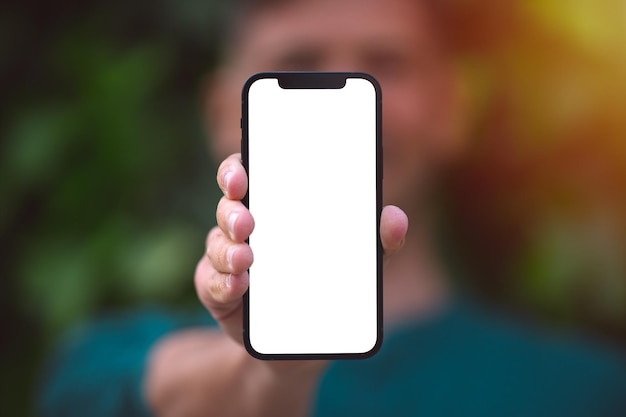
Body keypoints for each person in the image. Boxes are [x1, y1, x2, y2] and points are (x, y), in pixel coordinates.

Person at [39, 0, 626, 416]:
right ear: (224, 113)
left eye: (386, 61)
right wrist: (266, 369)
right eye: (298, 58)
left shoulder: (593, 394)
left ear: (454, 108)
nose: (342, 85)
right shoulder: (100, 372)